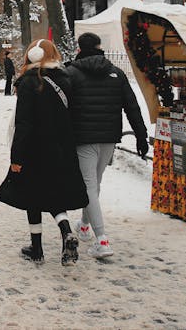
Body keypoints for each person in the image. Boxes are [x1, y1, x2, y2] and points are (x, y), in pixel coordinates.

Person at [66, 31, 148, 260]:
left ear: (79, 48)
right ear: (100, 47)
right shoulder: (116, 73)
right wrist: (141, 136)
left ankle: (101, 239)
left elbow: (63, 109)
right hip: (109, 137)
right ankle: (84, 225)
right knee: (94, 184)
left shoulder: (71, 73)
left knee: (89, 186)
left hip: (83, 138)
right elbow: (132, 107)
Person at [10, 39, 88, 266]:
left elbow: (23, 123)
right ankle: (66, 231)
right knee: (54, 192)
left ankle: (37, 248)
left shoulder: (27, 83)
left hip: (35, 147)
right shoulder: (67, 79)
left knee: (32, 196)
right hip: (62, 146)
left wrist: (17, 157)